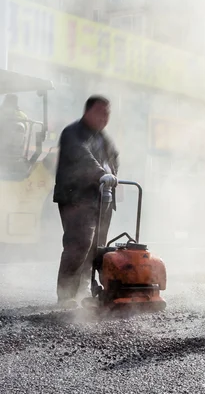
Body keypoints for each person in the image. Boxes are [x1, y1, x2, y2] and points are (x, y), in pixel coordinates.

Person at [53, 95, 119, 308]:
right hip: (77, 198)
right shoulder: (73, 133)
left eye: (107, 114)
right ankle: (66, 295)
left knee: (97, 248)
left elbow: (114, 156)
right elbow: (82, 157)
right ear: (88, 111)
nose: (104, 118)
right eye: (101, 112)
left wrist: (112, 175)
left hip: (101, 199)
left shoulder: (103, 137)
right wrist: (101, 173)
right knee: (79, 244)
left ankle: (84, 292)